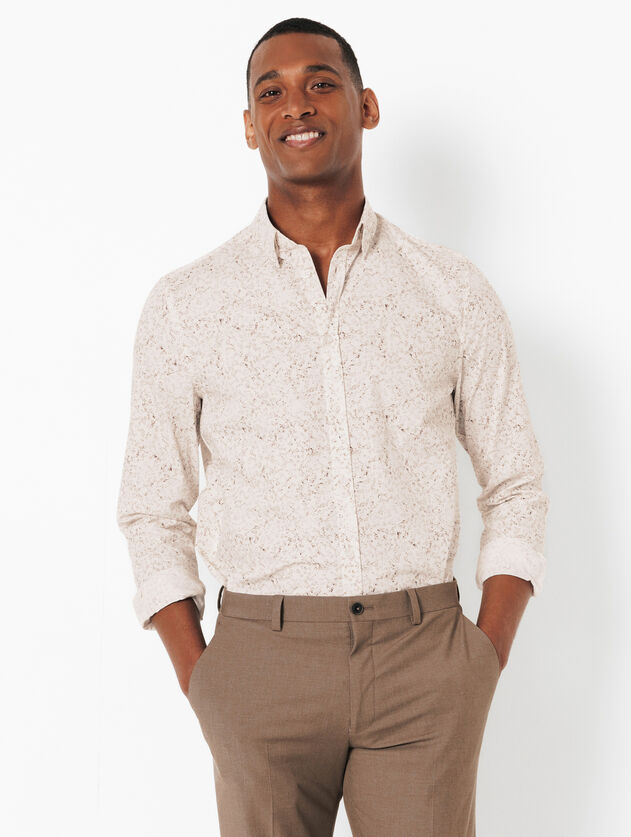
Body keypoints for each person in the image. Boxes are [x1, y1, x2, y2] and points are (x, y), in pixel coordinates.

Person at [116, 16, 549, 837]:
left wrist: (481, 658)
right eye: (270, 92)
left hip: (425, 662)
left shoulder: (451, 290)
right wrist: (204, 678)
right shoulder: (188, 304)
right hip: (259, 663)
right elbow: (150, 505)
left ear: (366, 105)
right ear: (251, 126)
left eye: (320, 82)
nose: (297, 104)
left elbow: (516, 482)